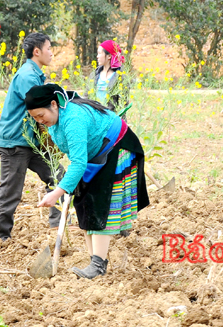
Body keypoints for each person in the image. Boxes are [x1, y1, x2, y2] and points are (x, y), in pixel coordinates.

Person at [28, 83, 149, 279]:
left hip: (115, 146)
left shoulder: (74, 119)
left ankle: (98, 265)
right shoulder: (53, 122)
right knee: (84, 202)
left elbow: (78, 161)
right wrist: (69, 184)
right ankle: (94, 261)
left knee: (101, 203)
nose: (40, 121)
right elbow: (75, 153)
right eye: (35, 118)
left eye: (41, 115)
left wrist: (58, 192)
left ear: (54, 104)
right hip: (95, 154)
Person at [0, 32, 62, 248]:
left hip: (29, 142)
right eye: (49, 48)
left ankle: (58, 223)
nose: (51, 53)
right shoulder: (27, 77)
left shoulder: (34, 75)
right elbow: (40, 109)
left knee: (58, 176)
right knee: (12, 189)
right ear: (37, 51)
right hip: (15, 142)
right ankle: (1, 237)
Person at [93, 40, 127, 109]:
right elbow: (86, 96)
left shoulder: (120, 76)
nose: (97, 56)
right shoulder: (94, 74)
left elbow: (124, 103)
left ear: (108, 56)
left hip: (111, 116)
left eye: (99, 53)